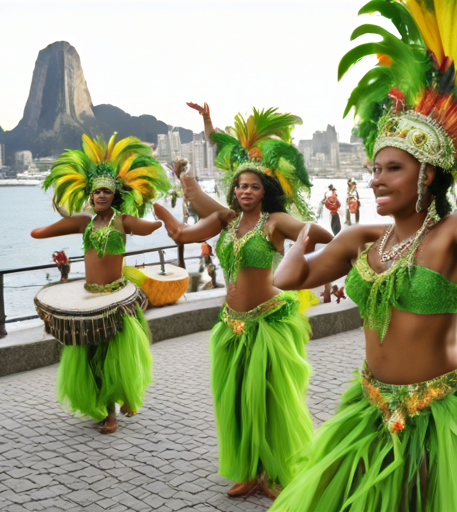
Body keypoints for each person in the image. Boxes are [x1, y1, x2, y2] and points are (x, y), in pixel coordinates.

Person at [269, 1, 457, 510]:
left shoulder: (452, 237)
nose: (375, 179)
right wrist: (303, 241)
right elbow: (291, 279)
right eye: (374, 168)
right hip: (372, 408)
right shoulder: (362, 239)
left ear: (428, 175)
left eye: (391, 168)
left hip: (442, 414)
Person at [154, 103, 333, 498]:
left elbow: (319, 234)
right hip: (230, 324)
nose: (244, 191)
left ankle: (274, 473)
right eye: (239, 186)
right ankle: (249, 470)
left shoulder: (275, 222)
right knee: (235, 398)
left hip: (268, 323)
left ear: (264, 191)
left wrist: (300, 251)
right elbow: (188, 229)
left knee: (270, 399)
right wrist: (172, 225)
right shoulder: (227, 221)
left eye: (252, 186)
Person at [31, 134, 170, 434]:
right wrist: (40, 231)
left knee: (113, 358)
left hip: (115, 299)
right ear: (90, 197)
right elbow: (50, 229)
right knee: (92, 354)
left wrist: (161, 220)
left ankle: (113, 414)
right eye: (97, 193)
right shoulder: (85, 223)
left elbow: (149, 228)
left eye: (107, 191)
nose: (101, 196)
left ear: (115, 195)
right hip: (90, 298)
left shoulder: (123, 221)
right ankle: (108, 404)